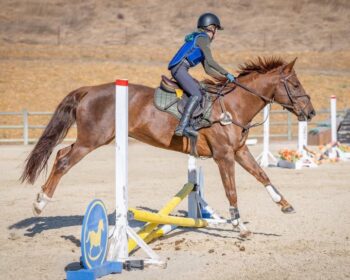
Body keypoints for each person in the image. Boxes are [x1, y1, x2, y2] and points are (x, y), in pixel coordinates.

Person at [168, 12, 235, 137]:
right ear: (211, 27)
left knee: (201, 90)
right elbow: (211, 61)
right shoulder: (203, 38)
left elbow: (208, 70)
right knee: (197, 95)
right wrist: (227, 74)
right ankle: (182, 127)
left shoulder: (200, 39)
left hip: (181, 69)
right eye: (216, 29)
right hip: (179, 68)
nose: (217, 33)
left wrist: (224, 79)